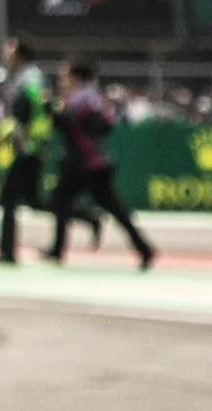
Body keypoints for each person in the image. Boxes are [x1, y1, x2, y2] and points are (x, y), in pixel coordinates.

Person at [46, 59, 157, 270]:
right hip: (83, 163)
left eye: (65, 74)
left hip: (89, 164)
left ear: (75, 76)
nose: (61, 79)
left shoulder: (84, 100)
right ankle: (59, 248)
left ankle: (143, 247)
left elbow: (94, 125)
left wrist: (56, 113)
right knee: (63, 201)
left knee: (106, 207)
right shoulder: (83, 98)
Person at [0, 37, 54, 266]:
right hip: (27, 146)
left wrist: (20, 137)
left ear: (19, 54)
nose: (5, 55)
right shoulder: (23, 78)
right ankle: (83, 216)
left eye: (9, 51)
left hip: (30, 147)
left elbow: (28, 112)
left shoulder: (29, 78)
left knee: (9, 196)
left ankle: (7, 252)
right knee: (34, 200)